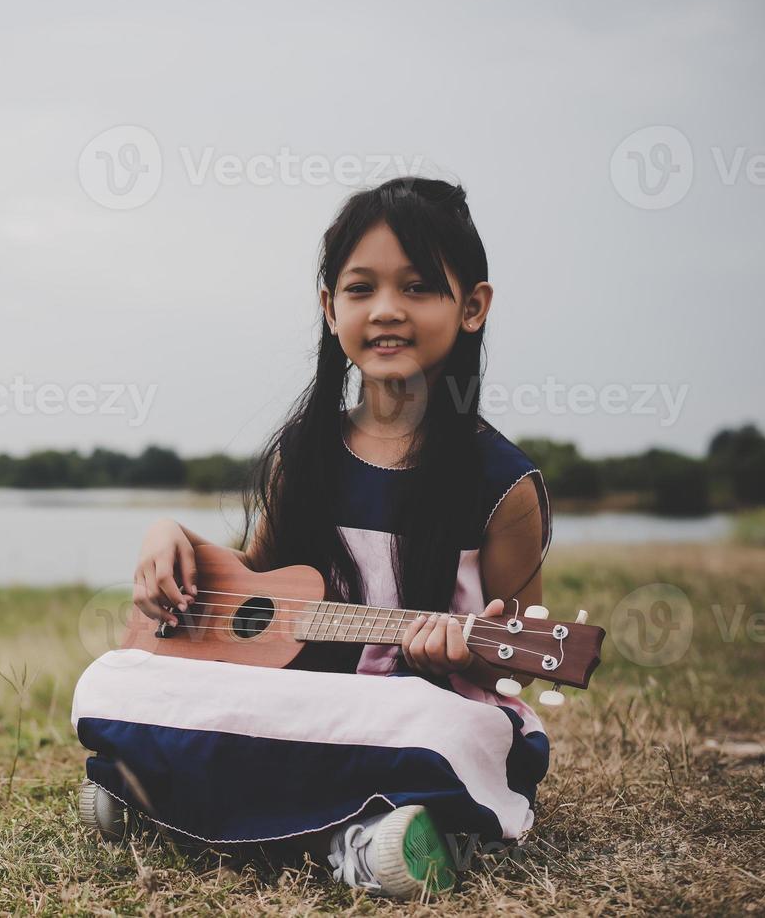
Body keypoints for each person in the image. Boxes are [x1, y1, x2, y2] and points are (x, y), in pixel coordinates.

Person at [72, 177, 552, 900]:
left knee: (430, 727)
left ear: (472, 307)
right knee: (115, 679)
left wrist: (467, 654)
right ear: (331, 309)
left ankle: (161, 797)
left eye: (418, 287)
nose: (386, 310)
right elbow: (257, 592)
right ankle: (359, 831)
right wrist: (168, 534)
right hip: (304, 704)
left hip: (415, 712)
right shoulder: (304, 454)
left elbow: (520, 661)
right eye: (360, 289)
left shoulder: (502, 484)